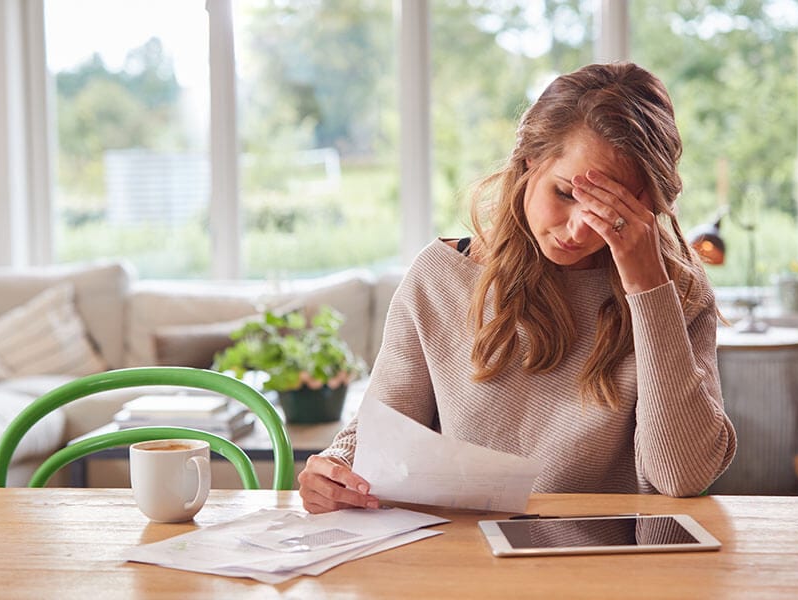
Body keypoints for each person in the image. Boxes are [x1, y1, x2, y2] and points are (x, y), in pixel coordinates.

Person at [298, 62, 737, 514]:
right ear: (530, 161)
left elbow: (681, 476)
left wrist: (647, 288)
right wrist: (335, 469)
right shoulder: (440, 277)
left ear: (649, 203)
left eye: (612, 209)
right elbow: (382, 436)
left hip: (613, 565)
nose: (580, 231)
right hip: (466, 560)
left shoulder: (677, 294)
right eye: (566, 194)